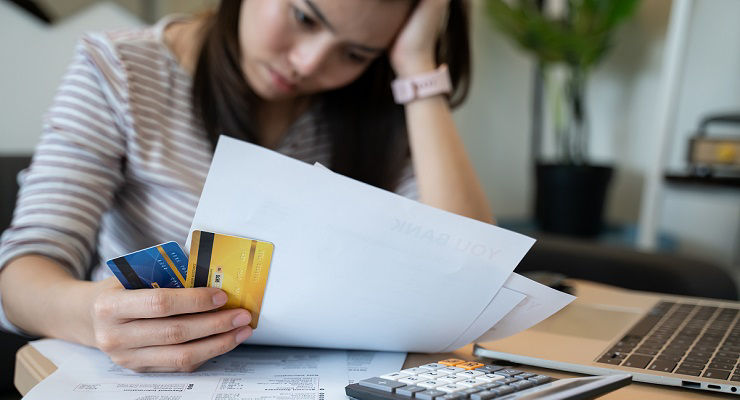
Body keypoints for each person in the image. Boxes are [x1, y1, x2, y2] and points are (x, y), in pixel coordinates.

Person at [0, 0, 492, 372]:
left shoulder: (374, 109)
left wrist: (418, 69)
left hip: (323, 396)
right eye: (304, 17)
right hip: (148, 394)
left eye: (356, 52)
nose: (308, 63)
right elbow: (22, 274)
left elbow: (472, 274)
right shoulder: (121, 70)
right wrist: (94, 316)